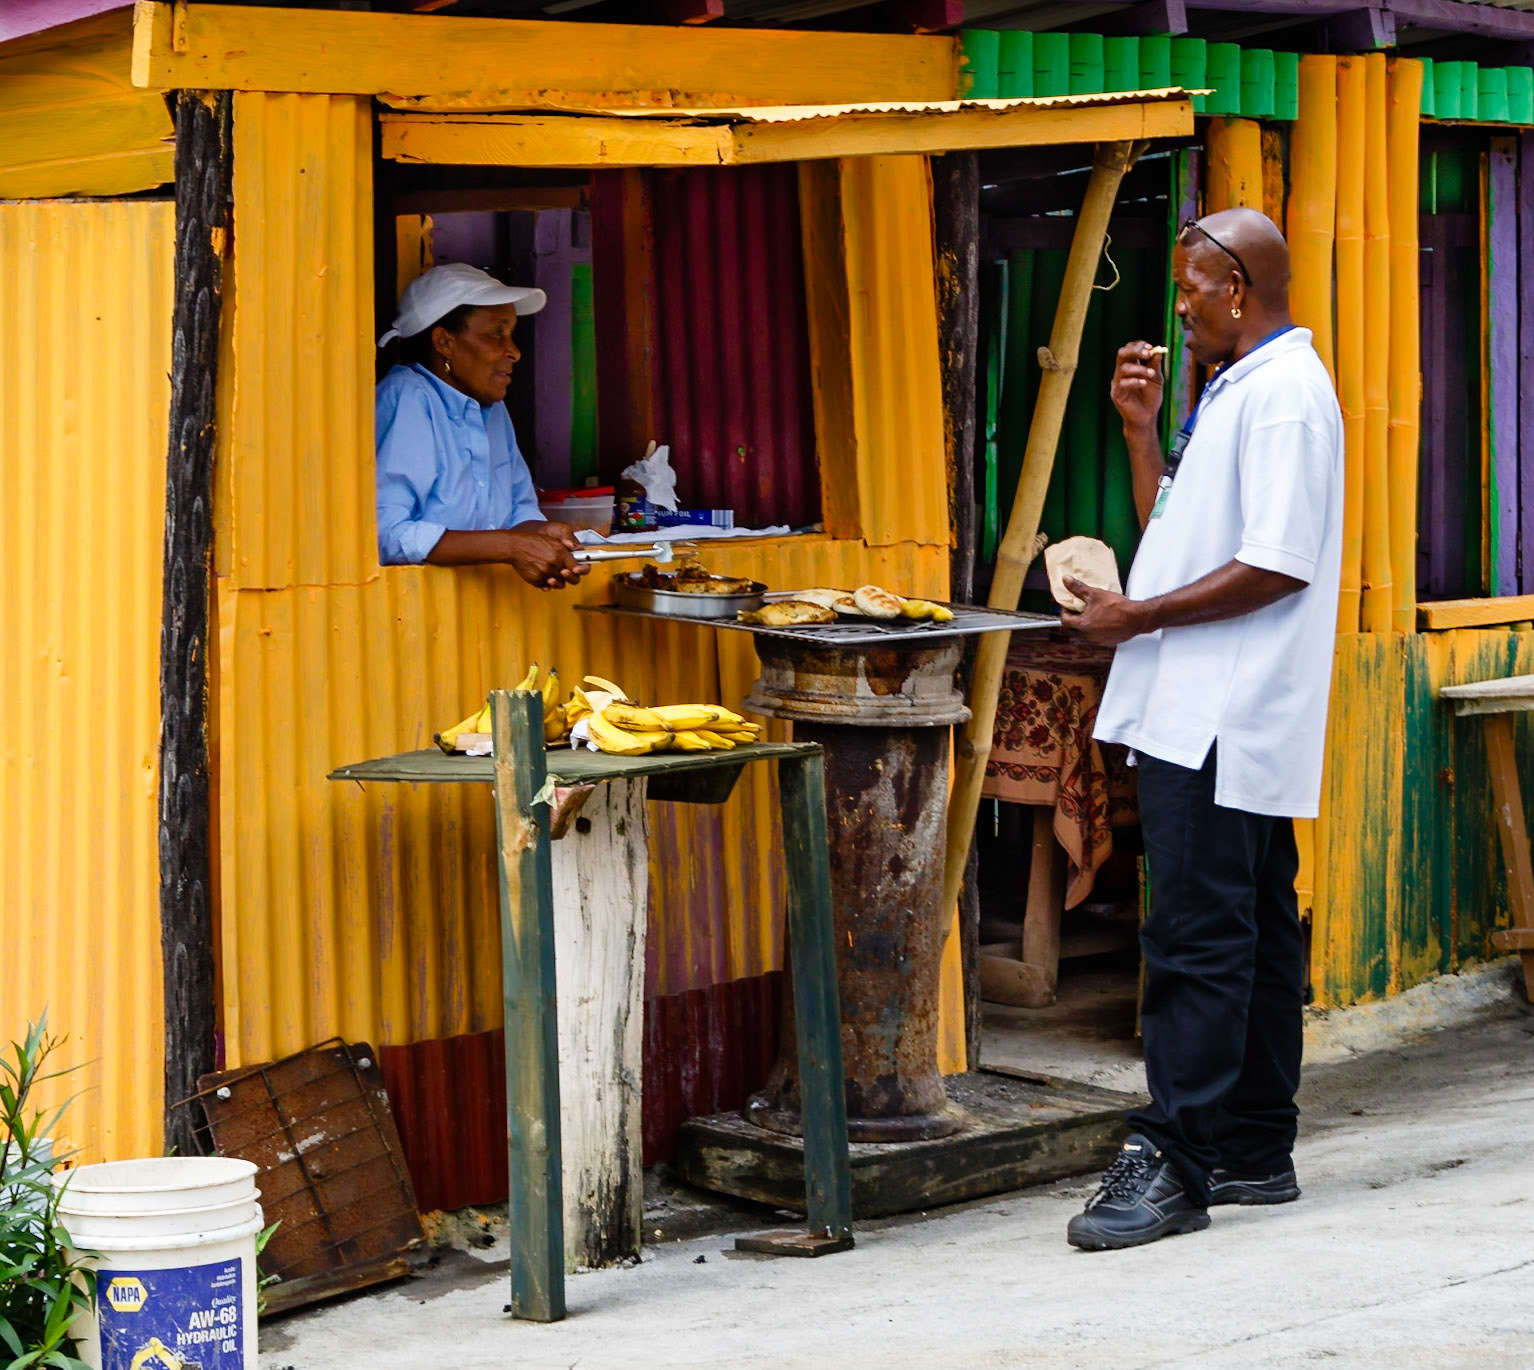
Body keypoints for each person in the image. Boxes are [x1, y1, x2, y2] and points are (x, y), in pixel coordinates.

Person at [1060, 208, 1344, 1251]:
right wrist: (1140, 432)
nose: (1177, 309)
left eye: (1189, 289)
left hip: (1220, 711)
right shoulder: (1234, 390)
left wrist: (1134, 616)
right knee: (1256, 929)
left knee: (1194, 937)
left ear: (1238, 287)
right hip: (1211, 706)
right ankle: (1255, 1148)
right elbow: (1178, 532)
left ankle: (1174, 1160)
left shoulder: (1280, 400)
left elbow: (1276, 562)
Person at [375, 262, 590, 588]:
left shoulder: (492, 410)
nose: (514, 352)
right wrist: (509, 546)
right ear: (444, 342)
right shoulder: (409, 397)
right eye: (497, 333)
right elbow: (387, 533)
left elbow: (519, 510)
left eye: (511, 334)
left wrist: (539, 533)